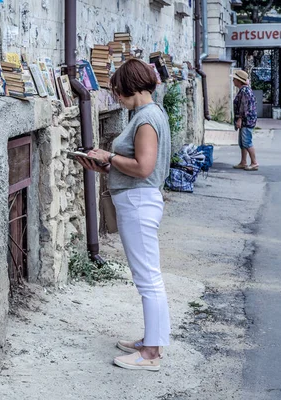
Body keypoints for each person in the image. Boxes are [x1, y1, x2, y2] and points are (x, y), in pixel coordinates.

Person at [76, 59, 171, 371]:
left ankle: (151, 354)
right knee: (148, 276)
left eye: (118, 90)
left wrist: (109, 156)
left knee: (148, 278)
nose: (115, 96)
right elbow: (136, 164)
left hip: (139, 202)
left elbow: (143, 168)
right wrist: (106, 164)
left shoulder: (145, 120)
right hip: (139, 199)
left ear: (133, 86)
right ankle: (151, 341)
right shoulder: (148, 114)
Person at [231, 70, 258, 171]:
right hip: (247, 120)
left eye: (234, 79)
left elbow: (244, 107)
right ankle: (243, 162)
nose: (233, 80)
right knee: (242, 142)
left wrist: (239, 119)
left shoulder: (244, 91)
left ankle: (254, 162)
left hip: (246, 121)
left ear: (239, 80)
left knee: (246, 142)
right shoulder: (244, 90)